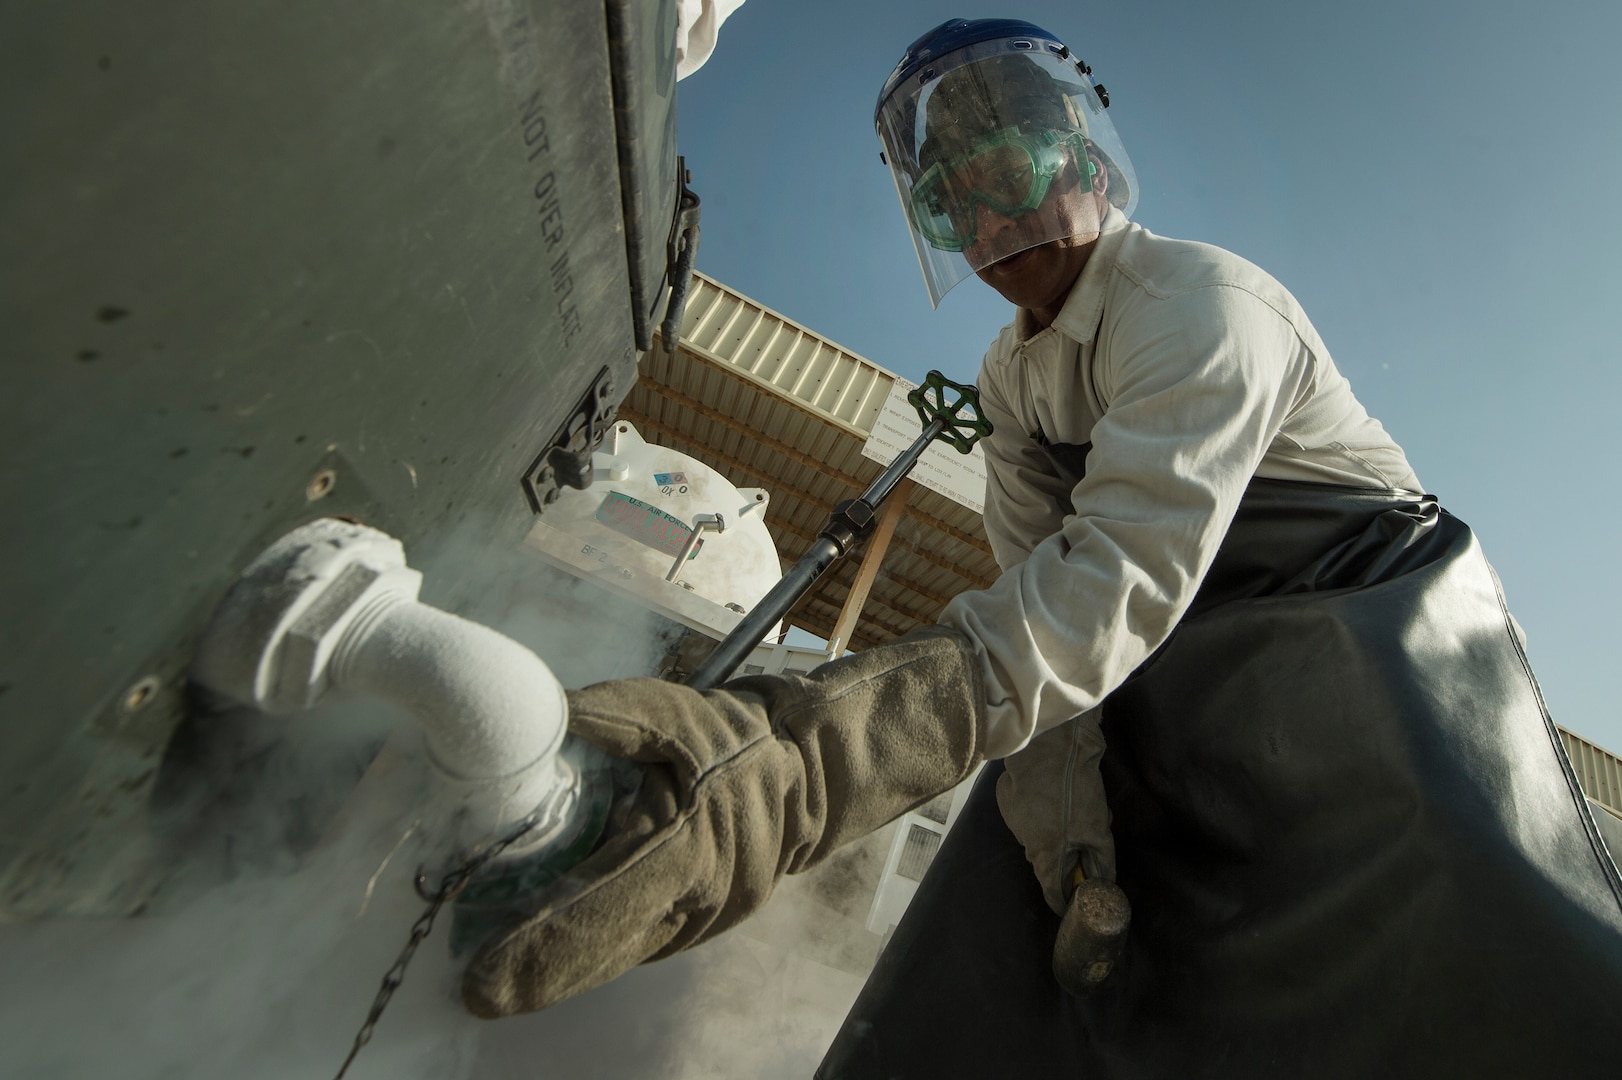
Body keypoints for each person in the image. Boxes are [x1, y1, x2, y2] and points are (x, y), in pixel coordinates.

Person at [462, 17, 1622, 1077]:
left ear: (1077, 159)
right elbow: (1034, 625)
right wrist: (1076, 857)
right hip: (1176, 681)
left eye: (1009, 175)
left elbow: (1104, 590)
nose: (991, 226)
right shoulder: (1011, 381)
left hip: (1379, 687)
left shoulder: (1198, 303)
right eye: (947, 204)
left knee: (1486, 993)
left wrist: (787, 770)